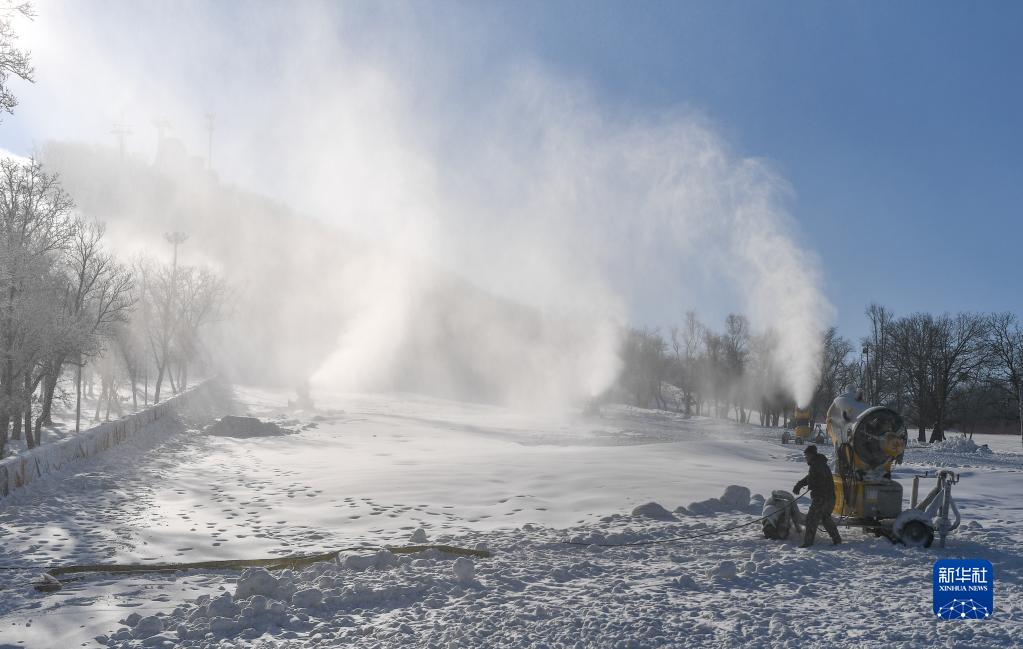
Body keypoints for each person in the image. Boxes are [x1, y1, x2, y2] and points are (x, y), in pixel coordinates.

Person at [793, 445, 842, 548]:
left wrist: (810, 485)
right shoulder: (819, 463)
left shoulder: (817, 465)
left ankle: (808, 542)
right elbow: (811, 477)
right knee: (825, 518)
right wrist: (800, 484)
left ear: (811, 455)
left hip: (822, 498)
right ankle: (837, 539)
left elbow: (817, 480)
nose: (805, 457)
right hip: (829, 497)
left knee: (811, 519)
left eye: (806, 455)